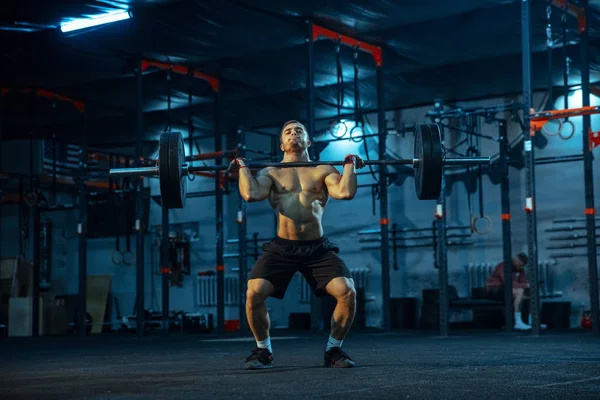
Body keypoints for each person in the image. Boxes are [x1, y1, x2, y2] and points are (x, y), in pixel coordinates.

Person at [229, 120, 365, 370]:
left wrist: (350, 165)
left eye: (299, 130)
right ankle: (263, 351)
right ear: (282, 143)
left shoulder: (323, 170)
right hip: (282, 247)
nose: (294, 134)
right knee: (253, 293)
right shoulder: (270, 172)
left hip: (317, 249)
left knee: (347, 291)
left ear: (308, 141)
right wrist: (242, 167)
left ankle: (333, 350)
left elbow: (345, 192)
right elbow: (251, 195)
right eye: (288, 132)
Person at [485, 252, 532, 330]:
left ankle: (531, 322)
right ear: (515, 261)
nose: (521, 267)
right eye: (520, 265)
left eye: (522, 266)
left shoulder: (519, 268)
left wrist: (528, 286)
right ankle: (518, 322)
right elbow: (509, 283)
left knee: (532, 294)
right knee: (519, 291)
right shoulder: (504, 267)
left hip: (507, 289)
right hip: (494, 290)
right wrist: (526, 286)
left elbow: (523, 280)